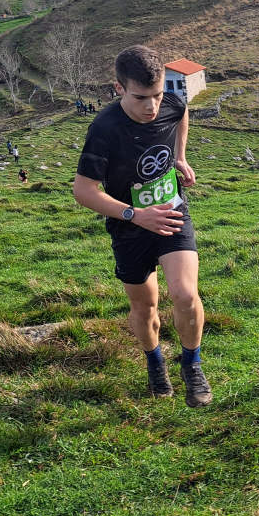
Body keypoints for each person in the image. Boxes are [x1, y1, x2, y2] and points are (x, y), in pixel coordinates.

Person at [72, 45, 211, 405]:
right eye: (140, 98)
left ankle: (192, 366)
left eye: (157, 95)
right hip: (130, 227)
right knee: (144, 307)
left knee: (185, 294)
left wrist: (180, 157)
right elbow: (84, 191)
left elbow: (182, 114)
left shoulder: (171, 104)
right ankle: (154, 362)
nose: (151, 107)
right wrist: (136, 214)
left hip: (172, 213)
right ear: (119, 89)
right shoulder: (104, 129)